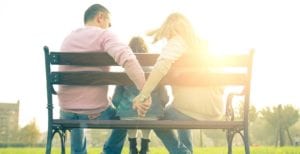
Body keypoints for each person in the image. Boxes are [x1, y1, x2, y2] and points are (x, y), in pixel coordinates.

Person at [58, 4, 150, 154]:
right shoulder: (104, 35)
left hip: (66, 110)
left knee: (76, 114)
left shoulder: (68, 38)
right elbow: (128, 59)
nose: (109, 27)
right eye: (109, 23)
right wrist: (144, 91)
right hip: (95, 110)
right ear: (100, 17)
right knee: (123, 119)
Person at [133, 12, 224, 154]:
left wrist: (143, 95)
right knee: (178, 108)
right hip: (215, 109)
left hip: (191, 109)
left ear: (171, 30)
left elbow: (162, 64)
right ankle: (187, 151)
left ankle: (183, 153)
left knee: (157, 119)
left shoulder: (178, 41)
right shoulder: (204, 45)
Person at [112, 36, 168, 154]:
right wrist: (159, 106)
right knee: (149, 114)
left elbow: (115, 99)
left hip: (127, 114)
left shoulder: (125, 71)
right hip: (152, 115)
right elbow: (165, 98)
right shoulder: (154, 71)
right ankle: (145, 145)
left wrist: (120, 107)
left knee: (129, 115)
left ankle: (132, 145)